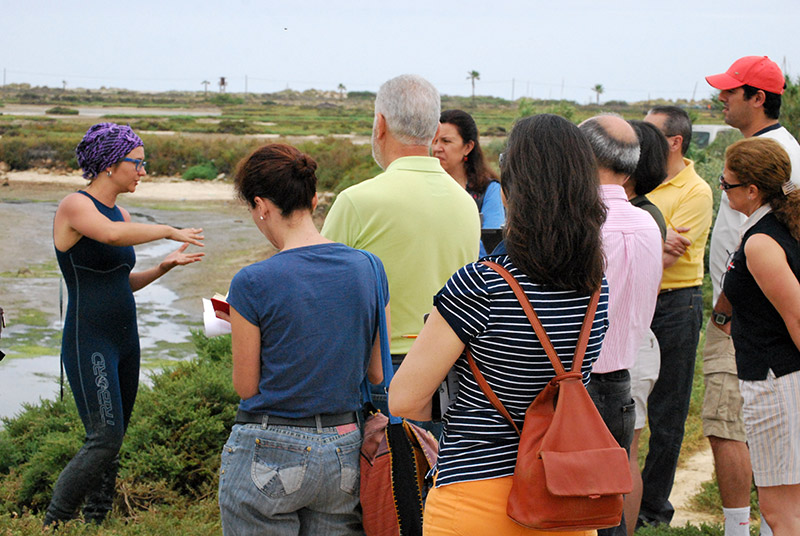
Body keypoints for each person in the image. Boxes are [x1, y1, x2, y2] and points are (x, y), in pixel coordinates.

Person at [389, 113, 609, 536]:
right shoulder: (598, 288)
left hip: (476, 498)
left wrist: (457, 393)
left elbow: (403, 401)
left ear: (511, 195)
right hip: (565, 499)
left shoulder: (482, 284)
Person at [217, 144, 387, 536]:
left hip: (268, 445)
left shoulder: (252, 281)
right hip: (345, 446)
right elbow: (376, 373)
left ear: (261, 205)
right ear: (312, 199)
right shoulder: (370, 268)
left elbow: (246, 385)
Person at [45, 123, 205, 526]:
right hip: (89, 339)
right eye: (138, 163)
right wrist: (169, 231)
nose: (143, 171)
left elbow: (120, 281)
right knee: (104, 438)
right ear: (111, 165)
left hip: (125, 341)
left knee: (112, 443)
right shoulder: (75, 206)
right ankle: (53, 523)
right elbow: (113, 236)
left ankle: (94, 523)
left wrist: (164, 266)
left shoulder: (123, 212)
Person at [322, 74, 480, 419]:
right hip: (452, 370)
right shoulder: (466, 203)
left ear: (380, 124)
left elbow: (320, 291)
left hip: (381, 370)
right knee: (435, 470)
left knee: (384, 472)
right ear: (433, 129)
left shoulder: (357, 201)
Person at [703, 56, 800, 536]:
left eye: (730, 90)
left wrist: (725, 312)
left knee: (732, 426)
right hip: (757, 328)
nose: (721, 98)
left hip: (763, 342)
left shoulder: (762, 236)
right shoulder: (770, 153)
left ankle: (744, 528)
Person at [579, 114, 663, 536]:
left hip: (581, 381)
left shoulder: (584, 225)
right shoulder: (647, 223)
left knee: (574, 498)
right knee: (616, 480)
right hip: (623, 376)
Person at [636, 105, 713, 528]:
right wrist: (653, 238)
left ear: (674, 142)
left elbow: (665, 256)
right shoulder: (641, 180)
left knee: (668, 412)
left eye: (647, 132)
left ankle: (653, 509)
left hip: (675, 306)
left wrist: (638, 238)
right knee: (627, 403)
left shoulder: (696, 191)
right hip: (639, 301)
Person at [720, 137, 800, 536]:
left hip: (778, 382)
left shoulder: (762, 242)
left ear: (752, 190)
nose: (723, 189)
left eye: (726, 184)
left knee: (780, 512)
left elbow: (798, 317)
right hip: (779, 377)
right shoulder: (776, 226)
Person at [623, 119, 670, 536]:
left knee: (623, 456)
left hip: (630, 346)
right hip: (639, 342)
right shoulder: (646, 213)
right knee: (626, 454)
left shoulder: (636, 216)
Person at [432, 109, 504, 255]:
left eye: (446, 141)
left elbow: (491, 247)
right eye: (434, 141)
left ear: (468, 147)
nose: (437, 148)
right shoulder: (424, 187)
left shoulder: (488, 190)